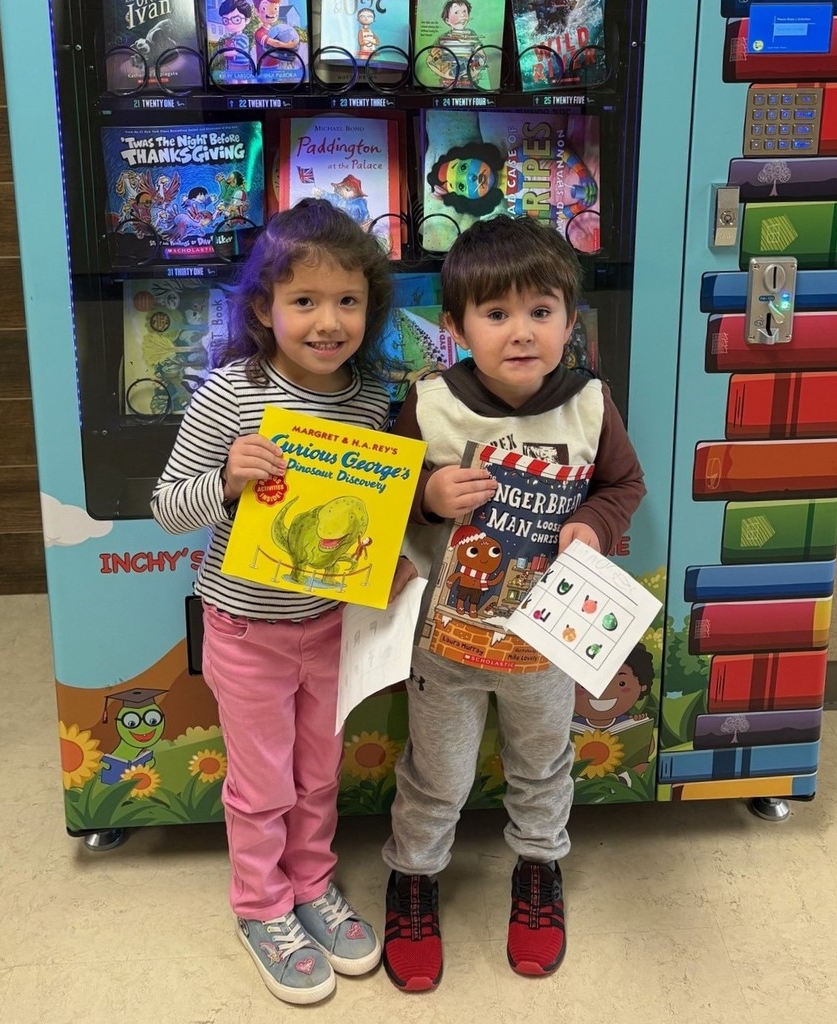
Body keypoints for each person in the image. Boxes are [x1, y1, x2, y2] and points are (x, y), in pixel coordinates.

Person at [151, 199, 413, 1005]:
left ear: (370, 308)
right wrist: (226, 481)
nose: (328, 321)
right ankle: (261, 906)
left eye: (347, 301)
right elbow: (168, 506)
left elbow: (372, 510)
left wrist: (395, 555)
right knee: (262, 782)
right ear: (264, 309)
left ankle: (310, 888)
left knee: (318, 774)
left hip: (333, 626)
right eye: (304, 301)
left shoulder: (372, 396)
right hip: (246, 630)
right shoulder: (231, 394)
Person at [381, 215, 646, 990]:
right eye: (496, 314)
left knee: (542, 765)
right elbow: (381, 505)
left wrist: (592, 526)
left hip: (545, 643)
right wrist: (427, 498)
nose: (521, 332)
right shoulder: (430, 404)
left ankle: (538, 870)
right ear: (456, 325)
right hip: (448, 645)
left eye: (541, 311)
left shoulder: (589, 403)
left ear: (571, 318)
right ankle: (414, 878)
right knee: (439, 775)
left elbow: (623, 486)